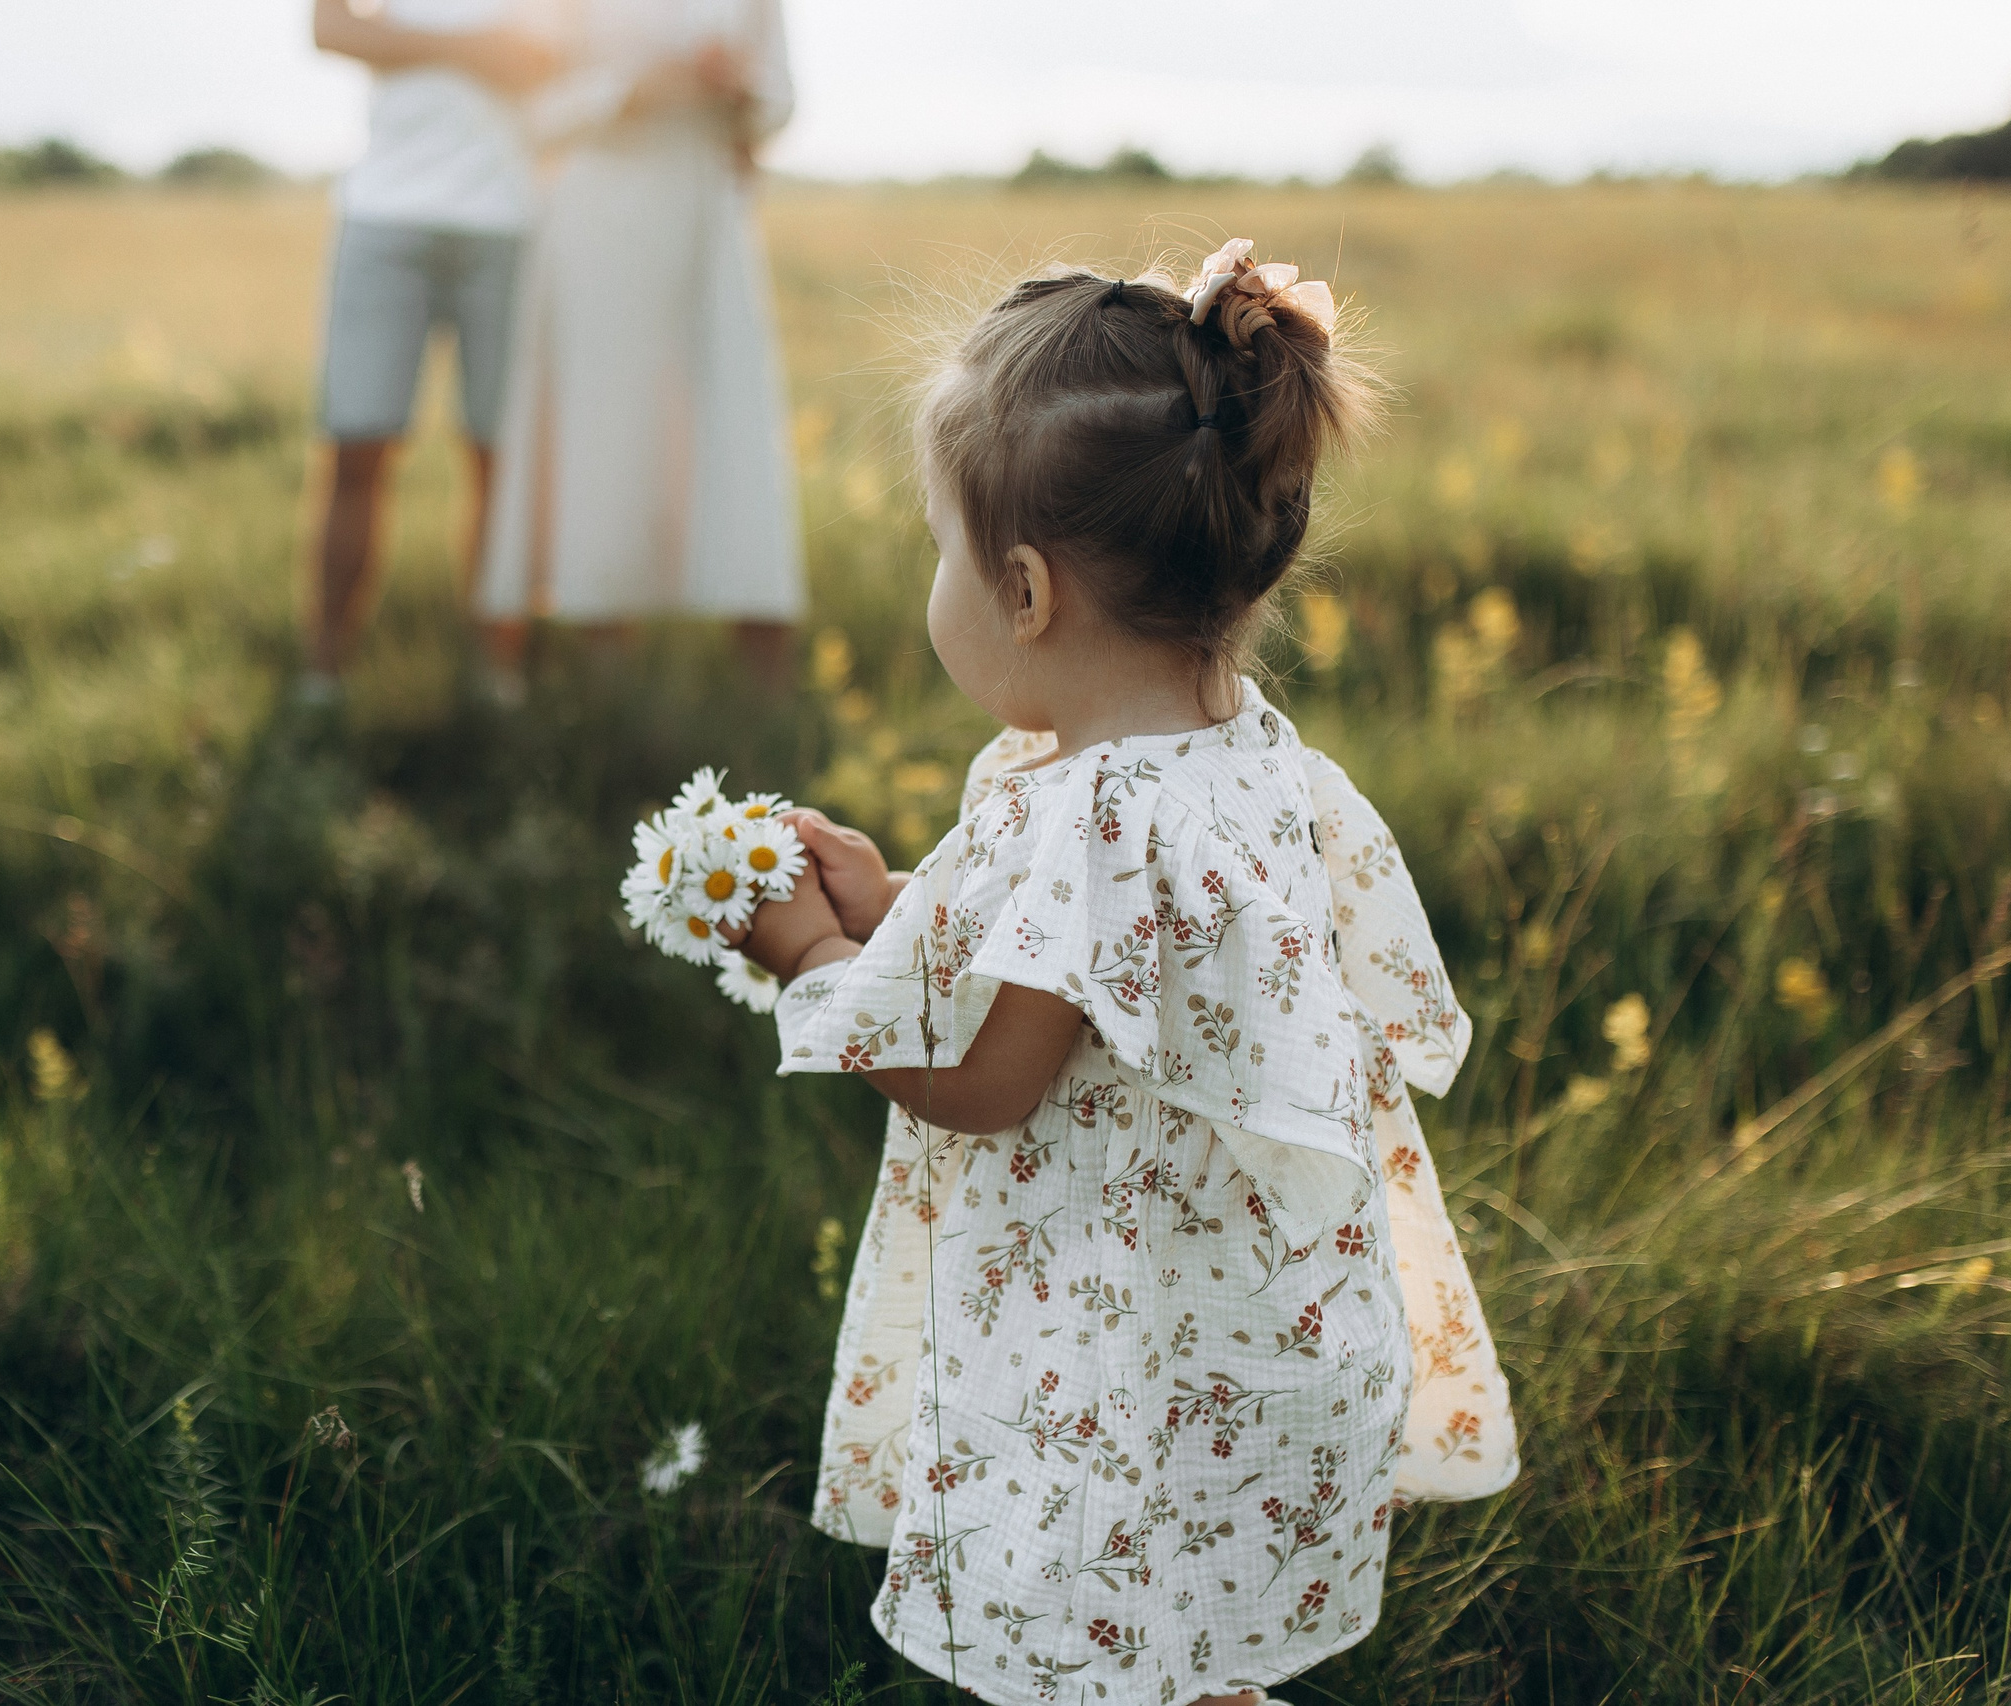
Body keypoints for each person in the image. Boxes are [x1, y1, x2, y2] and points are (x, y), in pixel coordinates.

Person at [731, 244, 1517, 1703]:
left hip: (1121, 1367)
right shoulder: (1260, 766)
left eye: (942, 553)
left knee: (1104, 1648)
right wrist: (910, 903)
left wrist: (824, 959)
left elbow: (991, 1077)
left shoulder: (1089, 809)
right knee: (1191, 1648)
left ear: (1023, 589)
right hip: (1257, 1343)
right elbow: (1111, 983)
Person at [472, 0, 804, 678]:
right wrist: (631, 88)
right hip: (602, 208)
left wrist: (743, 86)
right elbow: (529, 112)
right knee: (606, 437)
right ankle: (608, 677)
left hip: (708, 212)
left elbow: (783, 98)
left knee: (732, 432)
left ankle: (762, 689)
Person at [301, 0, 561, 697]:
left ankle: (498, 671)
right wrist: (475, 50)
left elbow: (556, 54)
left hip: (508, 222)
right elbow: (329, 26)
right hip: (384, 216)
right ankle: (324, 669)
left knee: (498, 458)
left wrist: (407, 42)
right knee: (355, 445)